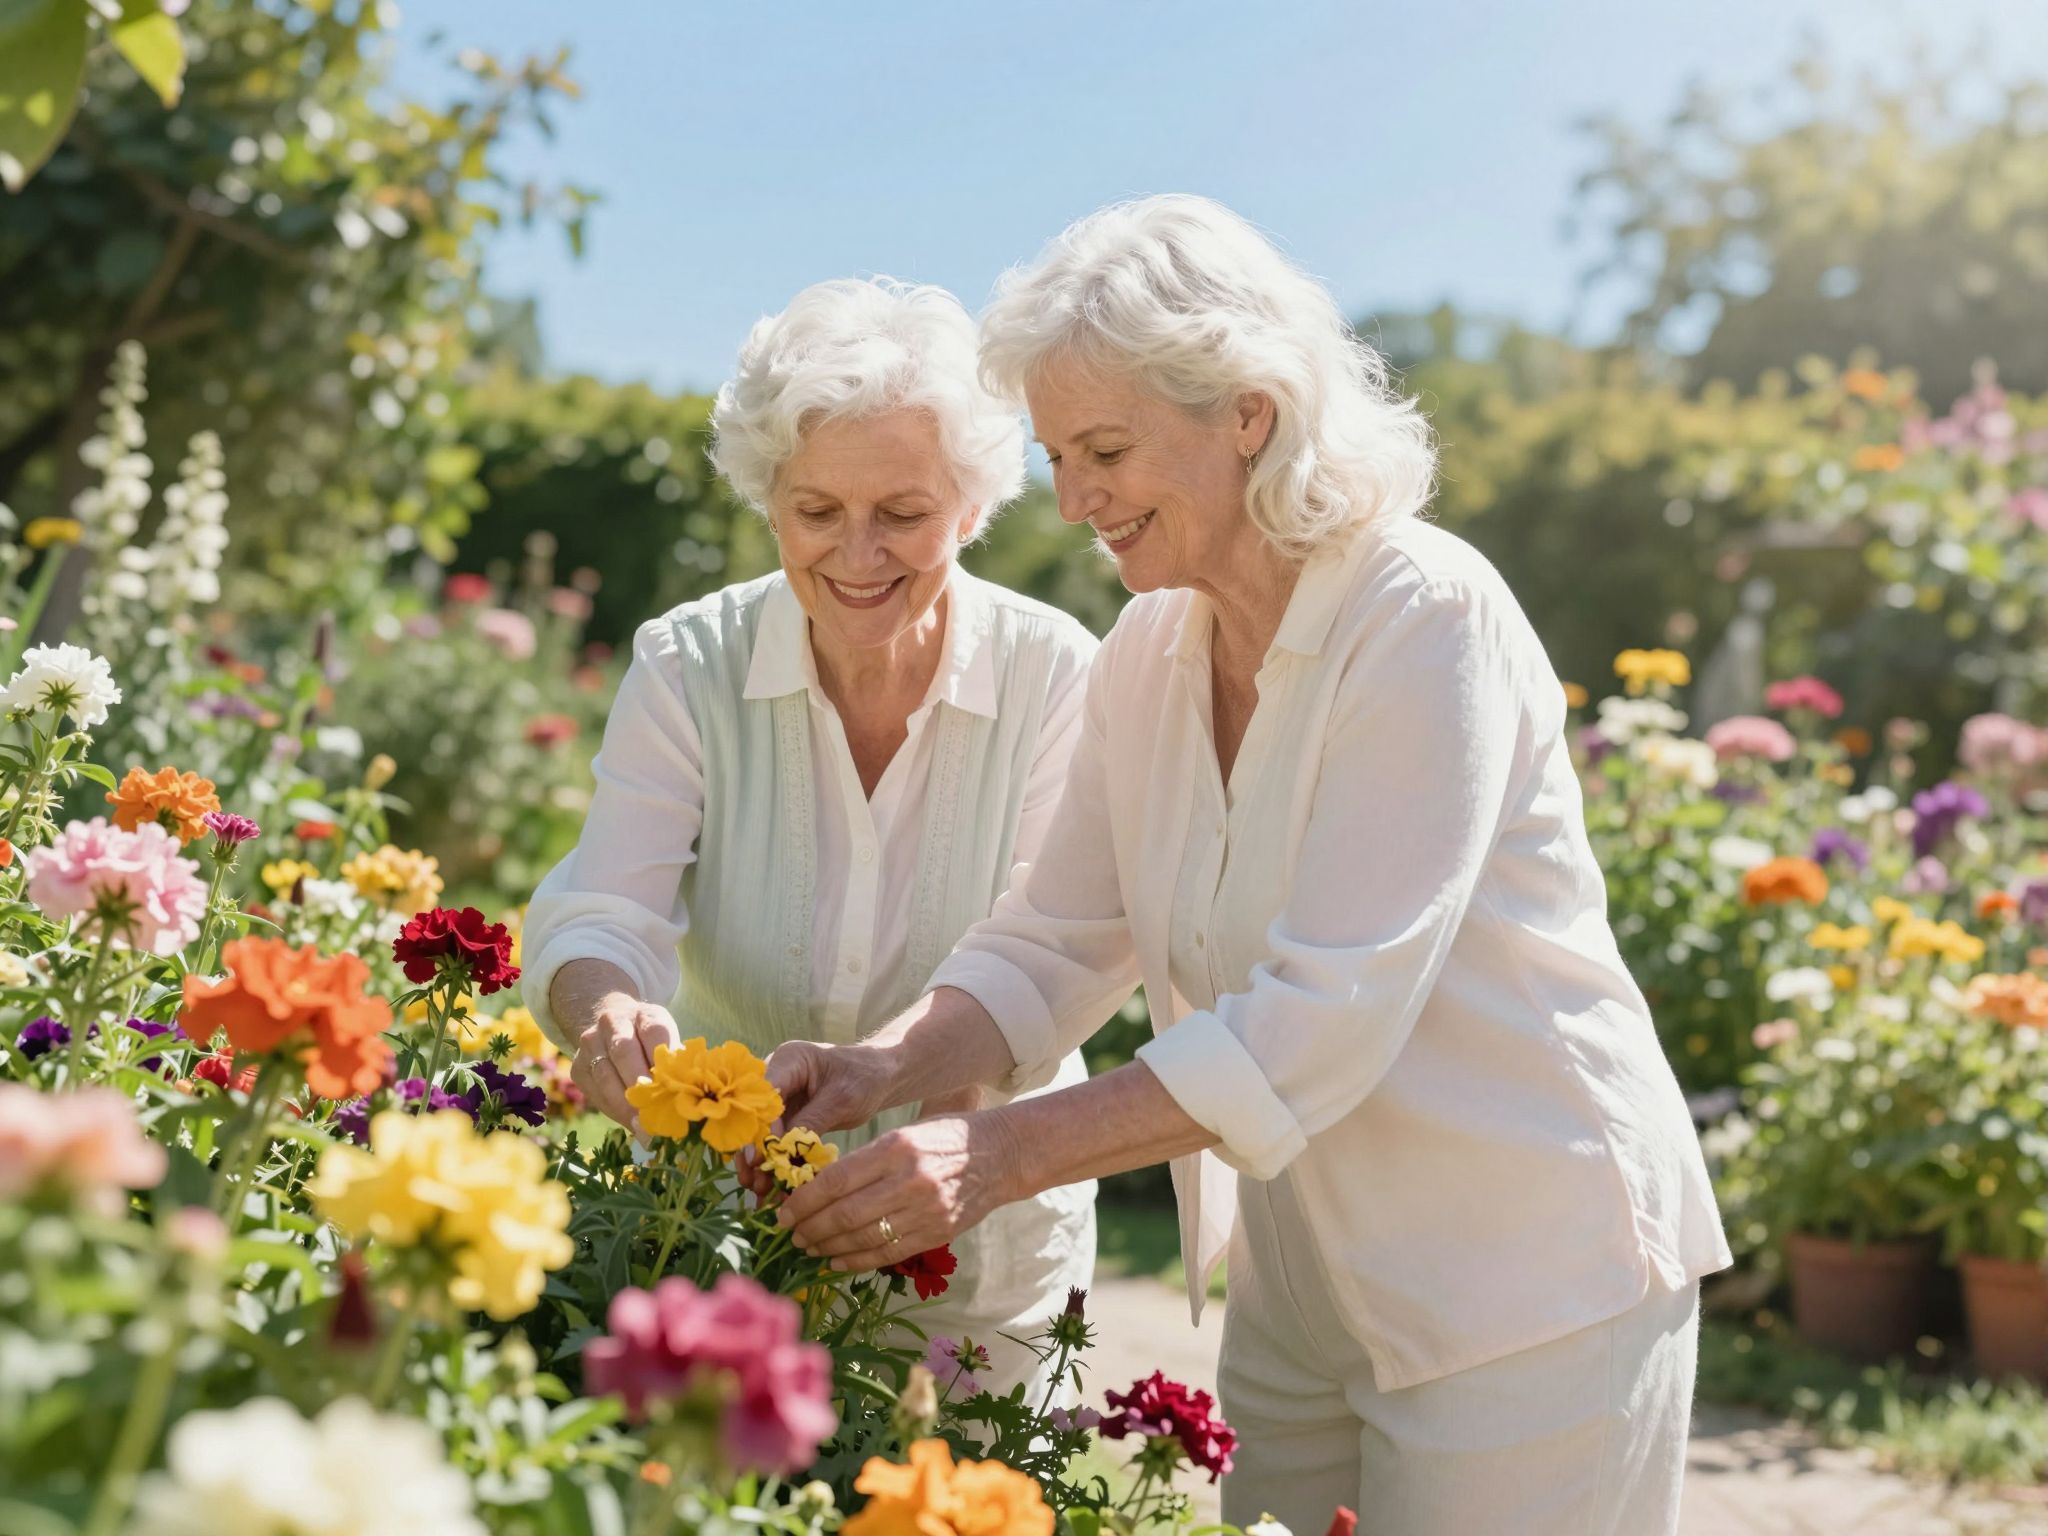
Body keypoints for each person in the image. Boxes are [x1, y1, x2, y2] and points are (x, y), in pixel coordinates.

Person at [761, 197, 1732, 1534]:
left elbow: (1319, 1019)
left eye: (1105, 448)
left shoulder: (1422, 619)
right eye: (1055, 454)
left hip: (1528, 1283)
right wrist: (886, 1065)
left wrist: (988, 1154)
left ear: (1250, 413)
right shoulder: (1149, 655)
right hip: (1306, 1291)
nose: (1074, 494)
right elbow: (1055, 938)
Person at [520, 277, 1104, 1401]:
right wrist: (604, 1011)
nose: (857, 554)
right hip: (714, 1225)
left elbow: (1057, 945)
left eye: (903, 512)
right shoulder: (691, 662)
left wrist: (882, 1070)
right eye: (817, 511)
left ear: (971, 509)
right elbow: (605, 906)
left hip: (969, 1245)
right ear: (767, 501)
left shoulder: (1059, 675)